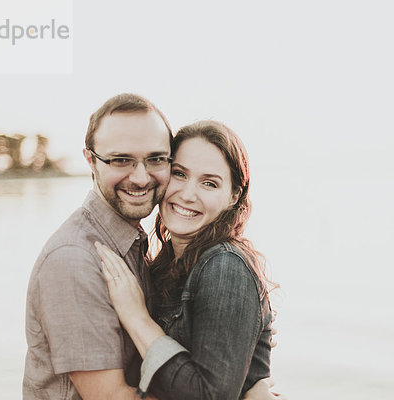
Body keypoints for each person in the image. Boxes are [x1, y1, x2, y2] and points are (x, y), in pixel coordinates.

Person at [23, 94, 279, 400]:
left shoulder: (219, 266)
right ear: (91, 160)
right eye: (121, 160)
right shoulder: (77, 259)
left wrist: (139, 318)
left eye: (156, 159)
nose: (141, 177)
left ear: (235, 195)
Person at [95, 120, 281, 399]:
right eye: (179, 174)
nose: (187, 194)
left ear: (233, 196)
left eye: (209, 183)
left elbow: (209, 395)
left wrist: (136, 317)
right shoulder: (169, 263)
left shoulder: (225, 267)